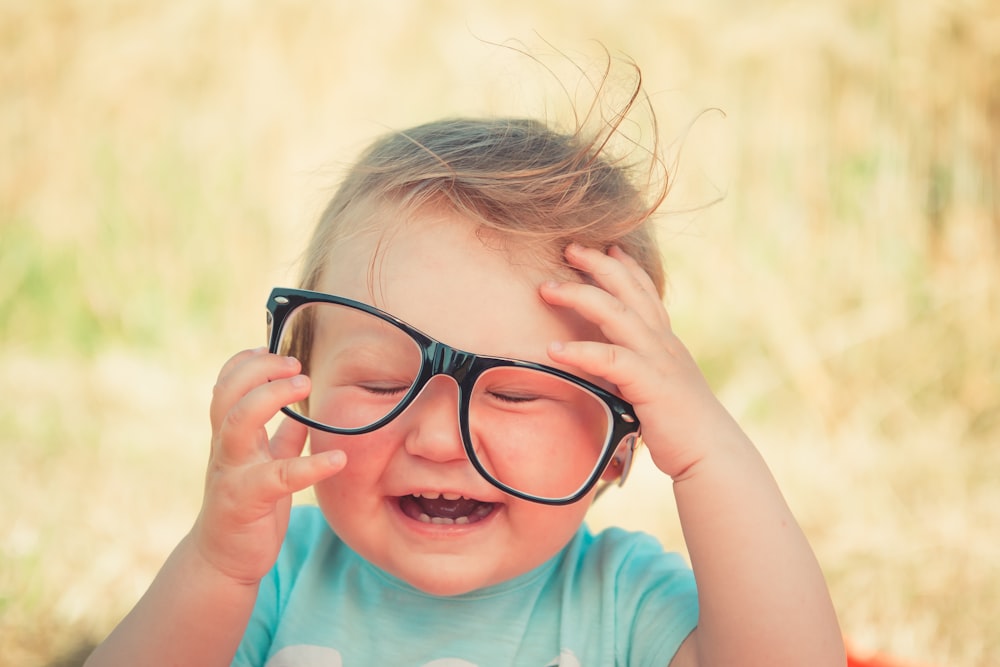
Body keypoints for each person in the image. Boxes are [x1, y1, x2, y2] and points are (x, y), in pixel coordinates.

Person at [84, 53, 845, 667]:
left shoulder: (626, 599)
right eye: (380, 381)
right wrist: (217, 568)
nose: (437, 439)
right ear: (303, 387)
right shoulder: (272, 575)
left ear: (622, 443)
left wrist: (707, 451)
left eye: (514, 393)